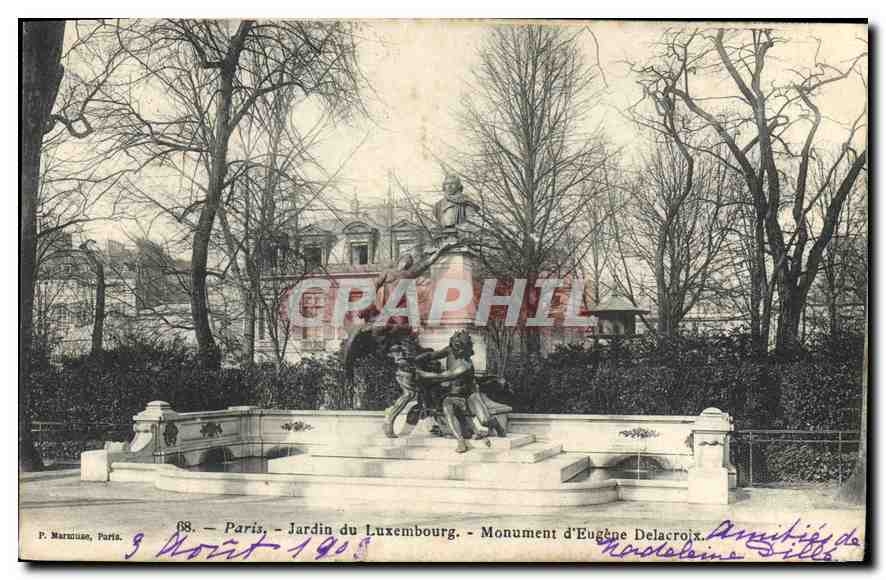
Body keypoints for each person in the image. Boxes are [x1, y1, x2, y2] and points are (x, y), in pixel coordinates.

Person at [414, 330, 506, 453]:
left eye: (460, 348)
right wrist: (417, 359)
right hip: (453, 394)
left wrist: (420, 373)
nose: (456, 350)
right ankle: (460, 441)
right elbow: (432, 355)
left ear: (466, 348)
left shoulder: (465, 365)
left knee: (485, 421)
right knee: (447, 407)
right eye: (455, 346)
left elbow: (443, 376)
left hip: (470, 395)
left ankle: (496, 425)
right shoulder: (450, 349)